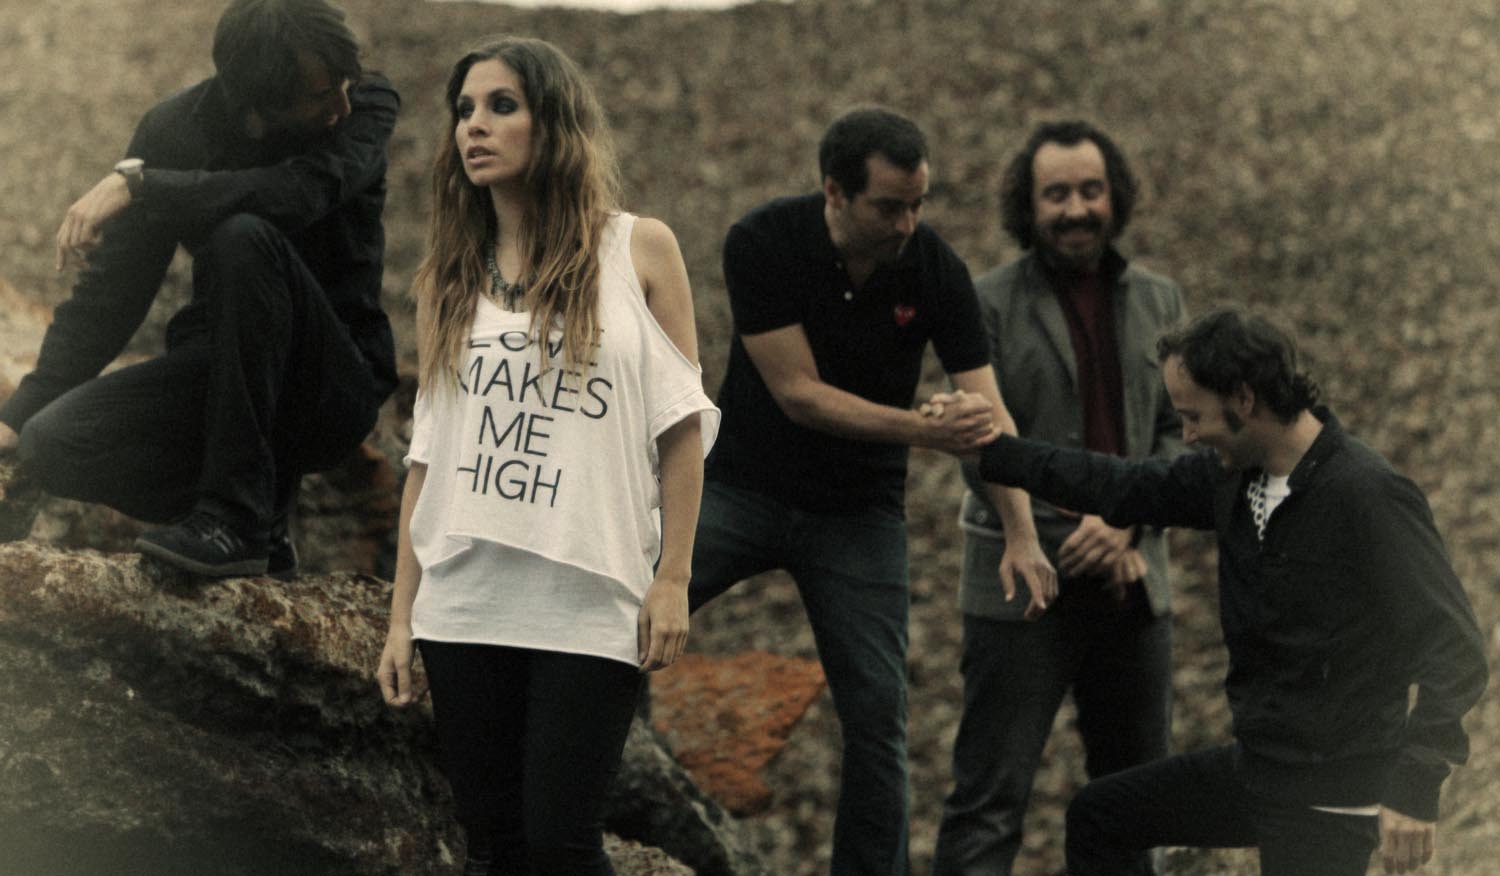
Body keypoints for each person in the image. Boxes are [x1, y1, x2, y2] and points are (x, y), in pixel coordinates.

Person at [963, 307, 1487, 876]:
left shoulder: (1368, 493)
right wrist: (990, 450)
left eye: (1193, 417)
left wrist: (1416, 785)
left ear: (1243, 398)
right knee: (1100, 815)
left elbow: (1455, 649)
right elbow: (1118, 483)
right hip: (1260, 769)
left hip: (1331, 795)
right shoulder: (1235, 478)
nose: (1187, 435)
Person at [375, 37, 717, 876]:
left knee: (561, 842)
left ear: (554, 122)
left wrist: (673, 578)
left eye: (502, 106)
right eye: (464, 110)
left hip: (589, 597)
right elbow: (429, 461)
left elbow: (680, 429)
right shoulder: (448, 279)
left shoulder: (641, 250)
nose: (474, 126)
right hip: (466, 601)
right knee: (492, 847)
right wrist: (401, 618)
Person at [687, 107, 1055, 876]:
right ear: (835, 192)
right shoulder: (763, 241)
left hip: (858, 514)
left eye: (918, 204)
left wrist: (1021, 533)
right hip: (743, 487)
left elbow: (989, 413)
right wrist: (923, 431)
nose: (907, 223)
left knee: (879, 718)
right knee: (621, 611)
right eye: (889, 207)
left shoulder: (935, 268)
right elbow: (800, 395)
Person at [0, 0, 399, 578]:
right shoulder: (175, 131)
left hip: (330, 386)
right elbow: (113, 295)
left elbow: (299, 194)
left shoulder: (367, 105)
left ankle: (234, 521)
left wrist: (143, 187)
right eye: (320, 95)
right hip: (222, 377)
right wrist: (18, 413)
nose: (341, 104)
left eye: (344, 82)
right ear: (256, 99)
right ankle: (258, 521)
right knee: (54, 443)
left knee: (244, 238)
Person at [932, 120, 1185, 876]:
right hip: (1020, 588)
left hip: (1131, 584)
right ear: (1029, 205)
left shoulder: (1161, 300)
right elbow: (977, 442)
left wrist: (1126, 524)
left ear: (1116, 197)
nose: (1076, 209)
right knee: (988, 805)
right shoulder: (985, 302)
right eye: (1057, 194)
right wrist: (1070, 533)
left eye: (1091, 190)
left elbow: (1183, 433)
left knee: (1134, 804)